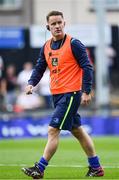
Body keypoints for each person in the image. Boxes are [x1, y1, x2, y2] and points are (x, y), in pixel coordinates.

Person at [22, 11, 104, 179]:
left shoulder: (74, 43)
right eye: (54, 24)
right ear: (48, 27)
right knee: (78, 131)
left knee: (53, 130)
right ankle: (96, 167)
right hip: (57, 95)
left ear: (64, 23)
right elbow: (39, 68)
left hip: (71, 93)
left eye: (59, 22)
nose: (57, 26)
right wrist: (31, 83)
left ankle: (40, 168)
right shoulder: (46, 46)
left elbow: (87, 67)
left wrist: (87, 91)